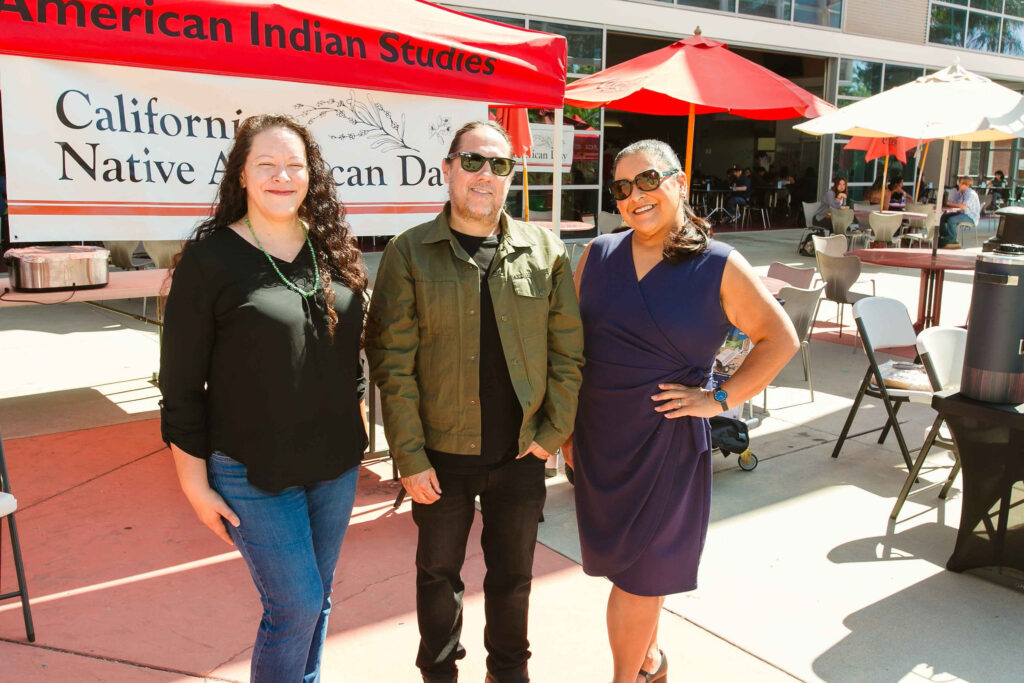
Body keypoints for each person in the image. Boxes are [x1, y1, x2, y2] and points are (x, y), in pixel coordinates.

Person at [566, 139, 798, 683]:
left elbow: (778, 339)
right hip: (601, 441)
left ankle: (628, 678)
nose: (634, 196)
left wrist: (719, 398)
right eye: (622, 188)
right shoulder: (596, 255)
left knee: (641, 576)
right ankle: (650, 661)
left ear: (679, 182)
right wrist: (566, 434)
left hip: (666, 446)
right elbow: (573, 352)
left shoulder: (718, 265)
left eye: (648, 180)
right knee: (629, 569)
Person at [366, 120, 584, 683]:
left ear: (511, 177)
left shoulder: (545, 251)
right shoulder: (409, 253)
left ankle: (509, 674)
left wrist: (552, 433)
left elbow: (568, 353)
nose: (485, 175)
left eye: (499, 165)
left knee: (513, 578)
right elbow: (392, 363)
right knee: (438, 575)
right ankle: (440, 675)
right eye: (473, 162)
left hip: (521, 453)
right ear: (446, 170)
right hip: (441, 456)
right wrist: (409, 457)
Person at [159, 114, 369, 682]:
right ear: (243, 175)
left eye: (295, 165)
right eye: (267, 165)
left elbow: (347, 357)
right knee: (294, 606)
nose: (283, 176)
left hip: (335, 465)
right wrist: (193, 483)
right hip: (251, 469)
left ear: (311, 175)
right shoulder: (210, 260)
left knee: (318, 600)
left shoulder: (330, 248)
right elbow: (179, 385)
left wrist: (357, 418)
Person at [939, 175, 981, 249]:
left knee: (951, 220)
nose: (959, 184)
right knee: (943, 217)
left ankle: (952, 240)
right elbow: (951, 201)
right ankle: (945, 237)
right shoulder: (960, 192)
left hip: (970, 217)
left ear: (967, 185)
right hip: (961, 214)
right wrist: (947, 202)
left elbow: (963, 206)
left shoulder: (971, 194)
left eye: (961, 183)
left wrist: (949, 204)